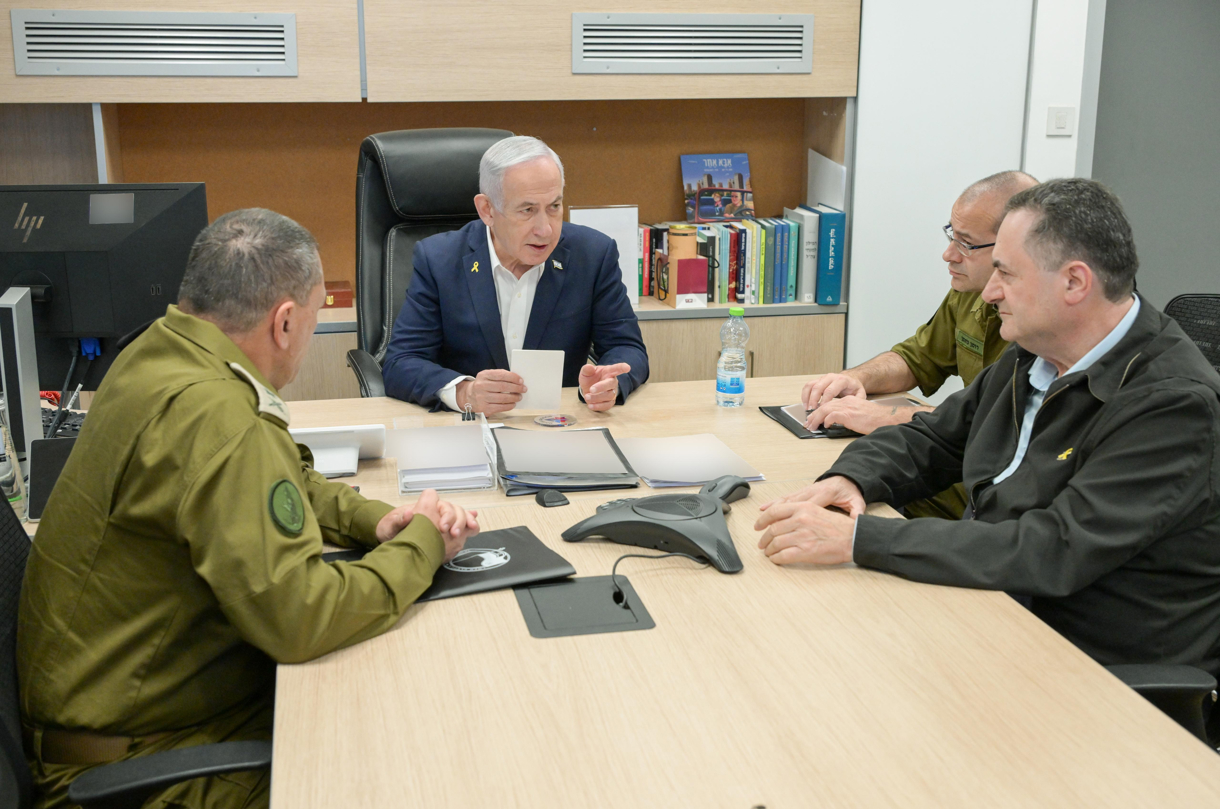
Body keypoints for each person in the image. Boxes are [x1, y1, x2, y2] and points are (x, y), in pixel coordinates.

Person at [17, 209, 480, 809]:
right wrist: (421, 548)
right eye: (315, 314)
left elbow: (281, 472)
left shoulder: (161, 354)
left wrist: (374, 521)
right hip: (138, 766)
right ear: (285, 322)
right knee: (403, 774)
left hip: (124, 713)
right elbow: (301, 618)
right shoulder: (223, 422)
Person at [755, 178, 1220, 675]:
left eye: (1006, 273)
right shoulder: (1035, 354)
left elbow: (1055, 548)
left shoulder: (1173, 405)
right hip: (993, 608)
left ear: (1074, 283)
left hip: (1090, 664)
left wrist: (857, 540)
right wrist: (848, 481)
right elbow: (934, 438)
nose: (991, 291)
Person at [801, 170, 1038, 519]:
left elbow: (997, 430)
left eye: (966, 244)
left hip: (980, 494)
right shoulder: (969, 294)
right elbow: (919, 357)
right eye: (951, 236)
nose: (948, 255)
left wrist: (887, 417)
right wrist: (858, 379)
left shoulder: (1041, 328)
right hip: (948, 474)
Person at [381, 135, 649, 415]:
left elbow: (626, 347)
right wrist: (464, 393)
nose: (545, 229)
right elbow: (402, 362)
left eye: (554, 207)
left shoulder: (592, 255)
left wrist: (609, 383)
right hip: (466, 431)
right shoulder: (439, 260)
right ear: (487, 210)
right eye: (528, 210)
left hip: (559, 427)